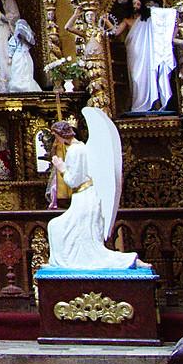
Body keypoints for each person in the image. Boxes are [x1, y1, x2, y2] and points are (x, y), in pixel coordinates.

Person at [42, 108, 145, 270]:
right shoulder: (82, 147)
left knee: (63, 230)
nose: (56, 141)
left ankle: (128, 261)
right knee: (59, 228)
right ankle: (66, 262)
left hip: (84, 199)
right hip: (87, 197)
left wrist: (60, 167)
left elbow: (73, 180)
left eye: (56, 137)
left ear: (61, 135)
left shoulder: (75, 151)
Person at [108, 0, 179, 112]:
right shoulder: (127, 20)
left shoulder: (147, 20)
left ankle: (154, 103)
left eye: (138, 4)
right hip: (134, 53)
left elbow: (161, 25)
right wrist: (107, 21)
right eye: (134, 4)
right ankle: (138, 104)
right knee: (136, 77)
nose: (136, 7)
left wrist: (169, 15)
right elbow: (116, 33)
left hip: (147, 52)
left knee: (150, 74)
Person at [0, 15, 40, 93]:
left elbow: (31, 42)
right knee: (18, 71)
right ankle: (17, 87)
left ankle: (27, 86)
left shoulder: (26, 41)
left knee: (26, 70)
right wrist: (10, 57)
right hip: (18, 57)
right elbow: (11, 47)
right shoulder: (14, 39)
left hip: (26, 56)